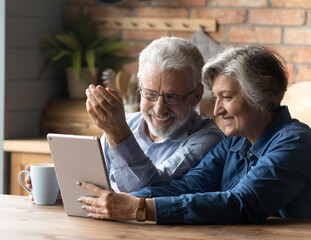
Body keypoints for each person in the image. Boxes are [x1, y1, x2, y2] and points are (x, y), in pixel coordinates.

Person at [77, 45, 311, 224]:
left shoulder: (294, 141)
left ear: (260, 100)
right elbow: (189, 186)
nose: (217, 110)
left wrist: (140, 207)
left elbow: (242, 203)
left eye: (227, 98)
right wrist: (121, 200)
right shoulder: (234, 141)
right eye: (216, 97)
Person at [25, 37, 223, 195]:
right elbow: (96, 186)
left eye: (172, 97)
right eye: (150, 94)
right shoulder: (126, 122)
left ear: (196, 95)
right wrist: (60, 188)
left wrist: (117, 132)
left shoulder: (208, 138)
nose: (160, 108)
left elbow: (146, 192)